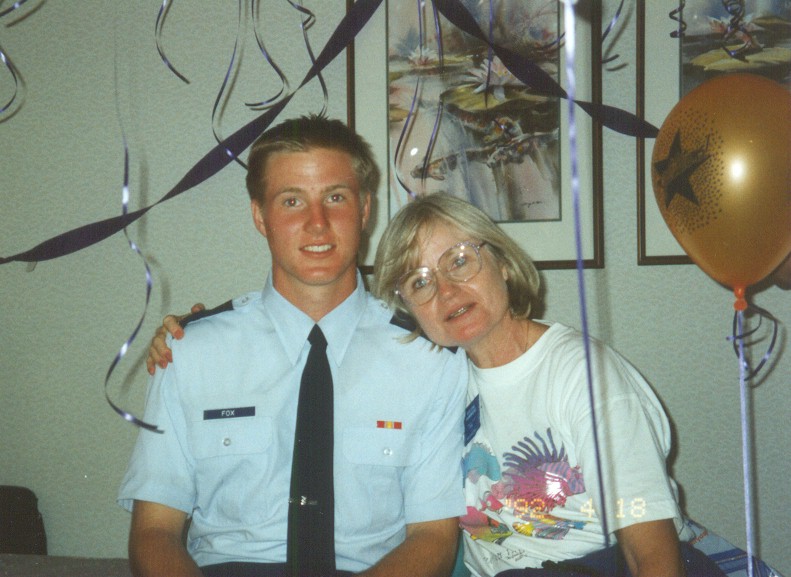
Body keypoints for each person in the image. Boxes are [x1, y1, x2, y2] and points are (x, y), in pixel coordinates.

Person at [147, 191, 727, 576]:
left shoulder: (584, 378)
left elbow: (651, 553)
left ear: (502, 262)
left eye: (460, 261)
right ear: (409, 309)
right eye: (420, 282)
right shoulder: (440, 374)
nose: (446, 291)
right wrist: (188, 334)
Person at [118, 116, 467, 577]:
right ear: (260, 216)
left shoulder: (428, 358)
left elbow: (434, 537)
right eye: (291, 201)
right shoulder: (190, 352)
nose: (317, 223)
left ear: (365, 209)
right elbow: (154, 530)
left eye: (335, 198)